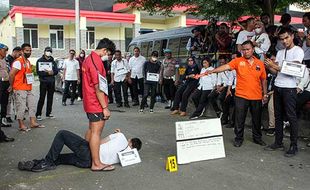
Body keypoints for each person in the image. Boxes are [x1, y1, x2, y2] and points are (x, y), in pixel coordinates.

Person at [205, 40, 268, 147]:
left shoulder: (260, 63)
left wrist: (265, 94)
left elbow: (264, 80)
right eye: (243, 50)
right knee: (239, 119)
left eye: (248, 49)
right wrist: (212, 71)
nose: (246, 52)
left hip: (256, 96)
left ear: (253, 50)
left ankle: (257, 138)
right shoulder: (237, 61)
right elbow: (225, 67)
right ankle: (239, 138)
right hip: (241, 96)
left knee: (256, 119)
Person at [17, 129, 142, 172]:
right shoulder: (128, 157)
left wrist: (119, 134)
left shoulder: (121, 136)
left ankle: (46, 162)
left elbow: (99, 142)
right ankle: (35, 164)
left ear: (130, 140)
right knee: (59, 158)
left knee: (62, 134)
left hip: (88, 153)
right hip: (86, 163)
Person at [264, 27, 304, 157]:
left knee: (291, 117)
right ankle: (278, 142)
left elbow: (295, 69)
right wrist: (269, 66)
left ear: (292, 36)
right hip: (278, 85)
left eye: (286, 38)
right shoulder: (280, 52)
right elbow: (276, 72)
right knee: (278, 116)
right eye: (282, 39)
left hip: (290, 88)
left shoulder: (298, 51)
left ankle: (294, 145)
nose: (284, 41)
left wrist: (275, 66)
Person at [82, 38, 116, 171]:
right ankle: (96, 163)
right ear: (104, 50)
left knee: (91, 130)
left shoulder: (88, 58)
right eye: (108, 54)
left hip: (90, 101)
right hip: (95, 102)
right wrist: (105, 108)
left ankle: (88, 156)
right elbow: (99, 87)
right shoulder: (96, 61)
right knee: (96, 132)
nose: (107, 57)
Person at [9, 43, 44, 131]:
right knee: (21, 107)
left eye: (30, 50)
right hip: (19, 88)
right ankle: (21, 125)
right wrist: (11, 85)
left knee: (32, 105)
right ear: (22, 51)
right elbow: (11, 74)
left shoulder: (27, 61)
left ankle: (33, 122)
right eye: (27, 51)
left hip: (28, 87)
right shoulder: (18, 62)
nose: (29, 52)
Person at [35, 47, 59, 121]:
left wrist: (53, 72)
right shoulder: (40, 60)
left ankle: (48, 113)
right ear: (44, 51)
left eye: (50, 51)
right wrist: (47, 73)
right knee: (42, 98)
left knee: (50, 98)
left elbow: (56, 71)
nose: (48, 52)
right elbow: (39, 72)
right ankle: (38, 114)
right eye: (47, 51)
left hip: (51, 82)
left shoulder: (53, 61)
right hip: (43, 82)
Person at [5, 46, 22, 123]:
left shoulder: (17, 60)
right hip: (9, 83)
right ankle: (7, 115)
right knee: (8, 100)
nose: (20, 56)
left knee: (17, 100)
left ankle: (17, 115)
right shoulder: (7, 60)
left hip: (17, 83)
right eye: (19, 54)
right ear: (15, 52)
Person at [0, 44, 12, 127]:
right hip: (0, 82)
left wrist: (10, 84)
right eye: (4, 50)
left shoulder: (6, 60)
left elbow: (9, 71)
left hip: (6, 84)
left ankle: (3, 120)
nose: (6, 52)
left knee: (5, 102)